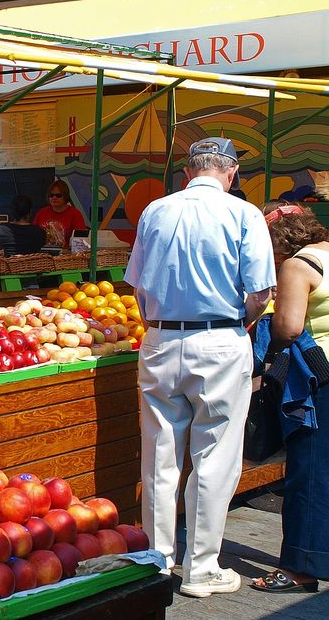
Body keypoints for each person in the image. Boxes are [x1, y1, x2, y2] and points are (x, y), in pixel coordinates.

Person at [126, 137, 275, 598]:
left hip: (161, 337)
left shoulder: (156, 210)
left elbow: (135, 285)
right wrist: (240, 323)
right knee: (216, 456)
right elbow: (260, 293)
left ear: (189, 171)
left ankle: (157, 558)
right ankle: (202, 567)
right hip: (219, 338)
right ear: (230, 172)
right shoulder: (244, 214)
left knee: (159, 458)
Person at [251, 201, 328, 594]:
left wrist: (268, 320)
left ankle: (299, 567)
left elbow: (289, 327)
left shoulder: (298, 266)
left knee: (308, 474)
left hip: (319, 379)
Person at [34, 180, 87, 249]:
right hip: (43, 254)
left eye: (58, 195)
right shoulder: (41, 213)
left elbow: (80, 241)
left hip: (67, 255)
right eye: (51, 195)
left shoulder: (75, 214)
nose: (54, 197)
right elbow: (34, 235)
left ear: (65, 196)